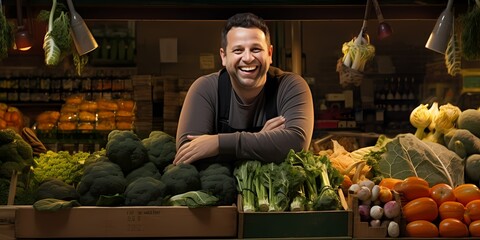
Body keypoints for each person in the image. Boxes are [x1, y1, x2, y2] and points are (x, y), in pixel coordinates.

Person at [173, 12, 314, 170]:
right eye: (238, 51)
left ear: (269, 53)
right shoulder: (206, 88)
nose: (247, 58)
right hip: (218, 194)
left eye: (255, 49)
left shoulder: (290, 86)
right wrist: (263, 140)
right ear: (224, 56)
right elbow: (188, 153)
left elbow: (296, 143)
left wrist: (217, 143)